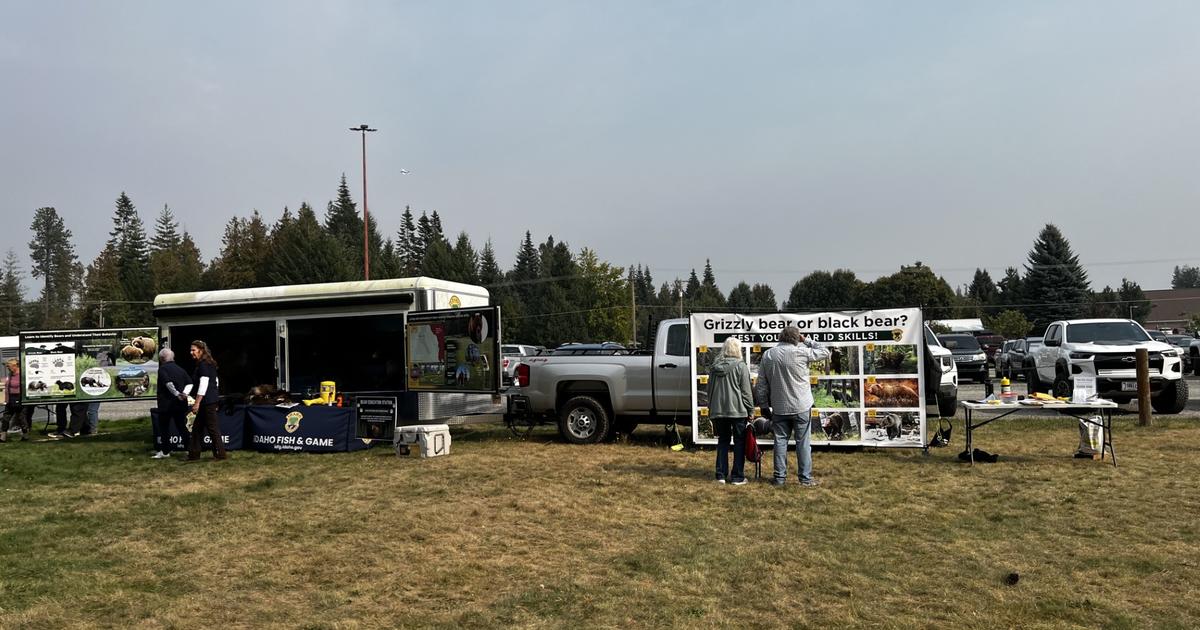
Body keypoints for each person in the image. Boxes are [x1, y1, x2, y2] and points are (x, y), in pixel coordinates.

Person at [754, 325, 831, 487]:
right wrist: (806, 340)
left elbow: (761, 384)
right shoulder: (802, 352)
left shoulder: (768, 355)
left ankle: (779, 478)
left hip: (779, 407)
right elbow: (825, 352)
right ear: (797, 339)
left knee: (780, 442)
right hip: (801, 405)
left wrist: (763, 405)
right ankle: (805, 479)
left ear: (781, 337)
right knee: (803, 443)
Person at [707, 337, 755, 485]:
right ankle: (737, 477)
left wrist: (711, 407)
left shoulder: (714, 367)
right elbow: (746, 391)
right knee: (739, 443)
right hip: (738, 411)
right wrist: (751, 410)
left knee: (723, 441)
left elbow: (709, 390)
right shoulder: (741, 366)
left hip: (719, 410)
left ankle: (720, 475)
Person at [182, 340, 226, 462]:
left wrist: (197, 402)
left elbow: (204, 384)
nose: (191, 352)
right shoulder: (207, 363)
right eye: (191, 350)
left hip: (207, 401)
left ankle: (220, 454)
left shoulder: (204, 365)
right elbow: (216, 381)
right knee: (197, 428)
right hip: (209, 400)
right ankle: (193, 455)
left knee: (212, 428)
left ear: (201, 350)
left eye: (193, 350)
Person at [152, 348, 193, 459]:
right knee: (182, 427)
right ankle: (190, 450)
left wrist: (177, 394)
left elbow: (168, 383)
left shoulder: (162, 369)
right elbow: (190, 383)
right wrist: (184, 394)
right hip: (180, 404)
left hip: (166, 404)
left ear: (161, 359)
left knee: (164, 428)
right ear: (173, 357)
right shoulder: (181, 369)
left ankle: (165, 451)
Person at [1, 359, 34, 442]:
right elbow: (7, 384)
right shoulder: (10, 374)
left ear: (15, 366)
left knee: (21, 418)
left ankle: (25, 435)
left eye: (9, 366)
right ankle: (3, 437)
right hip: (10, 399)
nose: (7, 368)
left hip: (19, 399)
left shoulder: (22, 375)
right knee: (5, 418)